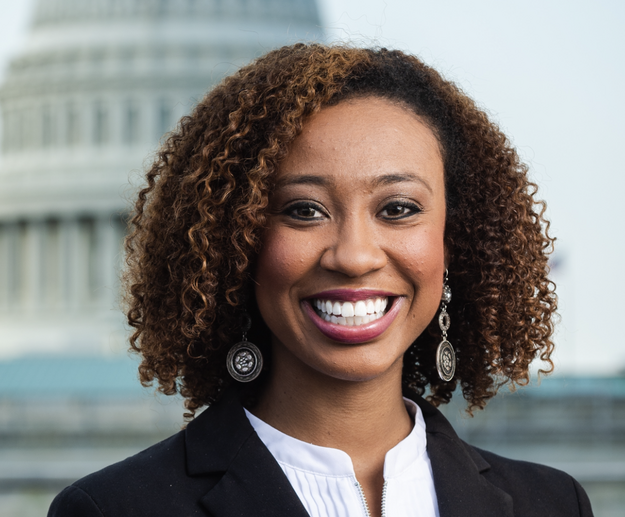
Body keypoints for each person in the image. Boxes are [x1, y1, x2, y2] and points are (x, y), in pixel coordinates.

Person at [48, 44, 593, 517]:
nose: (354, 256)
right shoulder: (114, 512)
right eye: (305, 211)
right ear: (235, 244)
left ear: (454, 240)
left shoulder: (551, 505)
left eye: (399, 208)